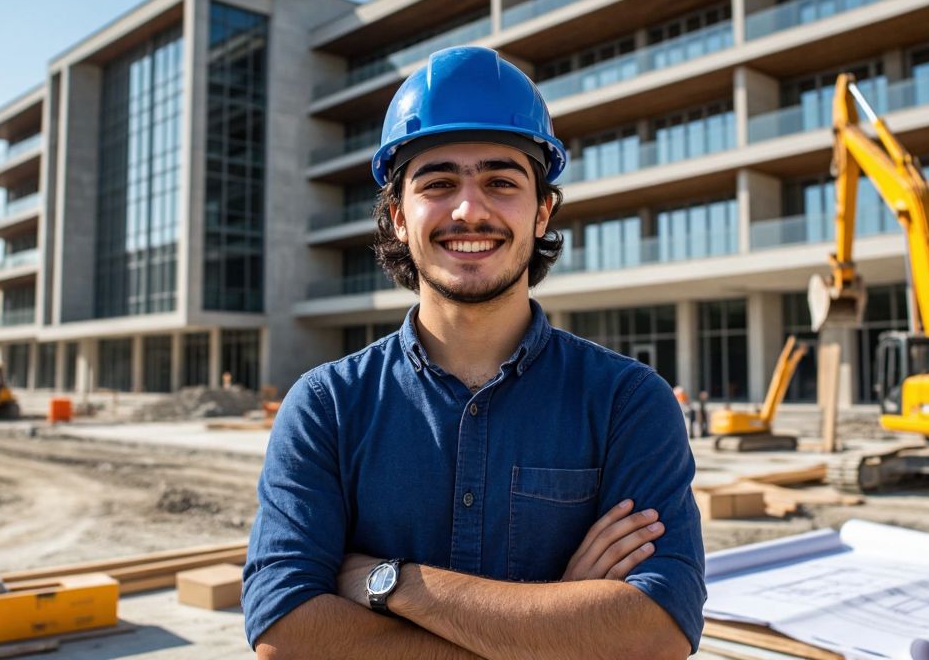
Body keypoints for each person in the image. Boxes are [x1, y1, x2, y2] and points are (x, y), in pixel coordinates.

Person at [243, 46, 705, 659]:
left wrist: (392, 582)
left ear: (542, 212)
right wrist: (558, 631)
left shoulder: (628, 402)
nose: (468, 209)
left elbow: (657, 632)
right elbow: (285, 633)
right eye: (437, 183)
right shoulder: (327, 405)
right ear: (398, 219)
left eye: (500, 181)